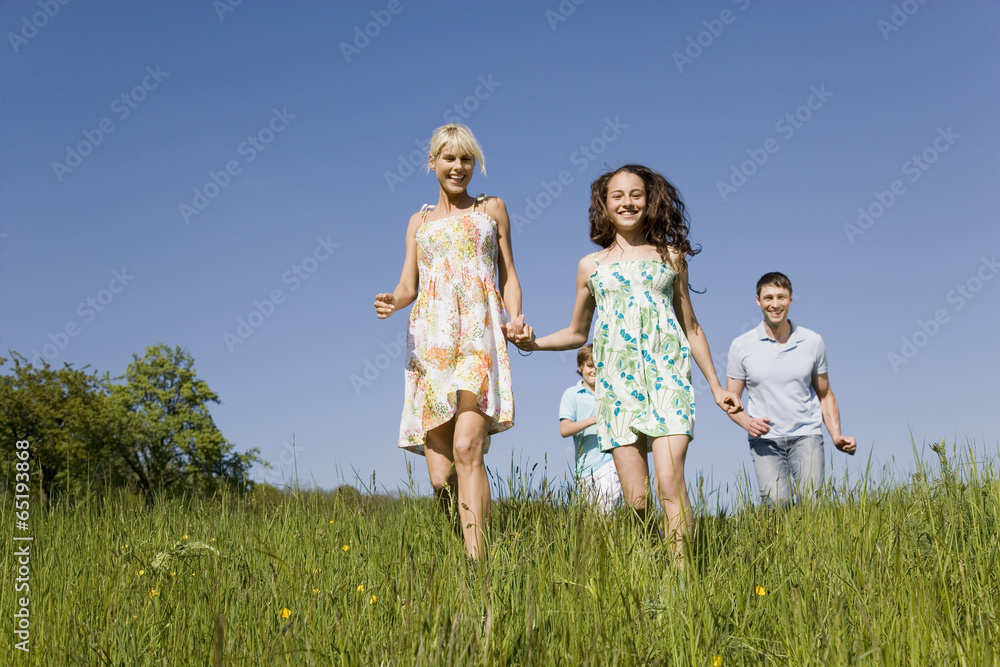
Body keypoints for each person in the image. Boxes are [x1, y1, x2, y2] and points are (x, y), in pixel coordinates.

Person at [513, 164, 741, 560]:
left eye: (636, 194)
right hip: (617, 387)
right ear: (604, 204)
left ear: (650, 200)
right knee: (637, 501)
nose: (628, 202)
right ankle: (650, 559)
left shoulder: (671, 258)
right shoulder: (591, 266)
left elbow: (692, 327)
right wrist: (533, 344)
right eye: (617, 196)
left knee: (669, 482)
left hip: (668, 380)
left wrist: (718, 387)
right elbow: (577, 332)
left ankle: (682, 579)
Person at [374, 123, 524, 559]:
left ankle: (478, 563)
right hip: (431, 341)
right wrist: (393, 301)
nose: (458, 168)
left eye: (466, 159)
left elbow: (509, 274)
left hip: (480, 335)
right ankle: (469, 529)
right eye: (449, 158)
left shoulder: (491, 209)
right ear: (432, 162)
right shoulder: (418, 222)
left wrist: (515, 319)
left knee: (466, 447)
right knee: (441, 475)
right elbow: (408, 284)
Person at [726, 272, 856, 509]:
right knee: (777, 503)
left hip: (806, 434)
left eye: (781, 297)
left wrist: (836, 434)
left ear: (791, 300)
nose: (774, 304)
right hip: (765, 439)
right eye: (768, 298)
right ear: (758, 300)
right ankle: (782, 547)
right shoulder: (741, 345)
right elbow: (730, 400)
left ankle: (813, 547)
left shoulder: (812, 341)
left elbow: (825, 394)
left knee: (812, 504)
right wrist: (746, 422)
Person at [559, 344, 622, 512]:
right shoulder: (572, 394)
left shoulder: (612, 393)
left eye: (599, 366)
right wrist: (594, 420)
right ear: (580, 367)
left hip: (611, 461)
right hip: (585, 469)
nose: (594, 370)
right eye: (590, 365)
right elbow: (565, 429)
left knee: (609, 509)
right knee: (597, 519)